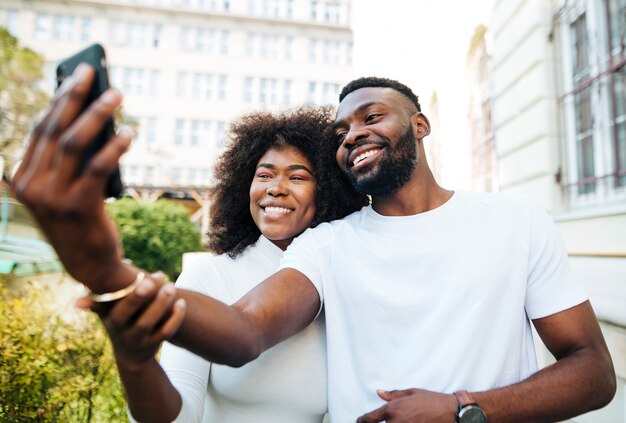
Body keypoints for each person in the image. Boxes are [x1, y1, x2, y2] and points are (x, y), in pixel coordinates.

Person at [12, 66, 616, 422]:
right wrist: (109, 272)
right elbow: (244, 332)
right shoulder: (328, 245)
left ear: (420, 126)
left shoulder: (515, 220)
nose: (354, 134)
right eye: (343, 130)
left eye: (372, 118)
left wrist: (462, 409)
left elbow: (593, 374)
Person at [87, 105, 368, 422]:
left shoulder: (339, 285)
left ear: (330, 191)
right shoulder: (208, 275)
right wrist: (135, 360)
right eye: (264, 175)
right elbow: (179, 415)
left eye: (297, 176)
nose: (275, 187)